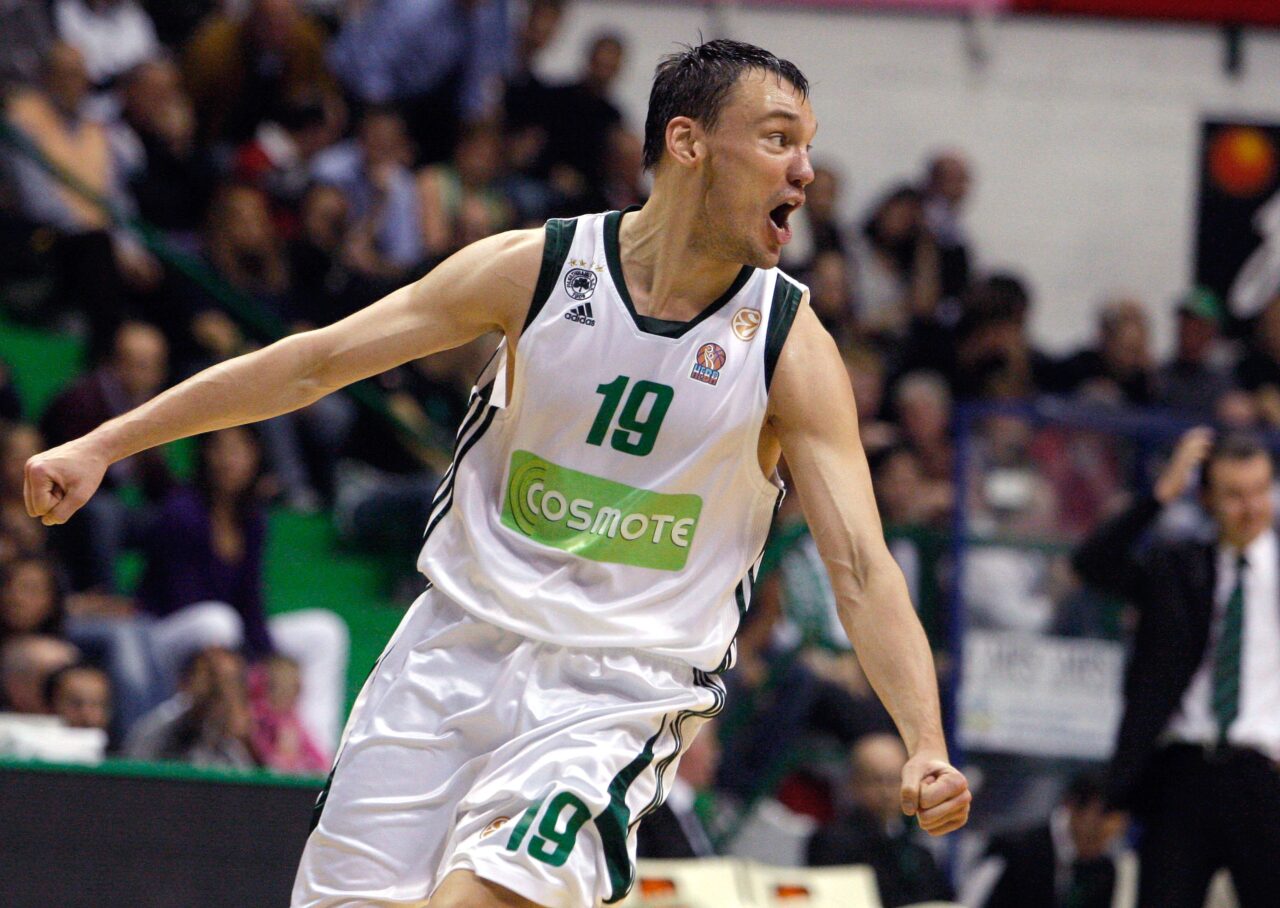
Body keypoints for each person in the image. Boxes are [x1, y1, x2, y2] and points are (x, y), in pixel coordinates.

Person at [23, 40, 970, 908]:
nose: (805, 171)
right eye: (778, 140)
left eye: (807, 147)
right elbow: (316, 362)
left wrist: (925, 742)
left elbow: (860, 565)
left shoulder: (790, 345)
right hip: (449, 654)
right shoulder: (541, 267)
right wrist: (105, 443)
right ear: (688, 143)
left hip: (616, 690)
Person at [1073, 428, 1280, 907]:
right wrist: (1159, 496)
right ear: (1206, 499)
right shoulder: (1178, 566)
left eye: (1259, 491)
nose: (1250, 508)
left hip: (1266, 774)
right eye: (1234, 495)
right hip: (1183, 770)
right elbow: (1093, 563)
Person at [806, 733, 955, 907]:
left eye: (895, 780)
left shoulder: (917, 850)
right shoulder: (832, 843)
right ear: (854, 783)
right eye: (877, 780)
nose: (887, 792)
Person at [963, 771, 1128, 908]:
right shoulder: (1012, 851)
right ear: (1072, 806)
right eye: (1103, 817)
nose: (1111, 828)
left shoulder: (1103, 869)